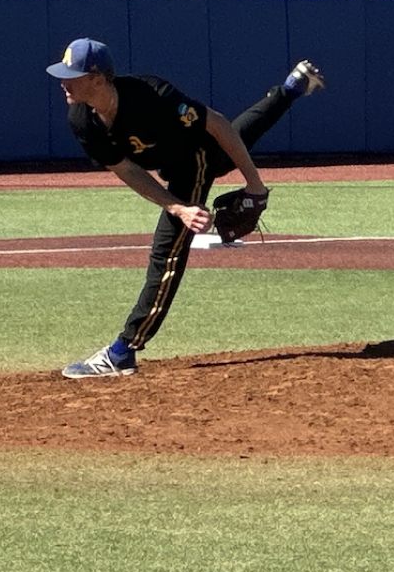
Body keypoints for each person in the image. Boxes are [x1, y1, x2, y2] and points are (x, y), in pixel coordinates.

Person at [47, 38, 325, 378]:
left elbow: (217, 124)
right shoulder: (82, 120)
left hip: (194, 157)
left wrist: (255, 185)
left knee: (167, 252)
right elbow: (127, 170)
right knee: (238, 140)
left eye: (71, 75)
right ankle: (289, 90)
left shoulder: (153, 96)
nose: (62, 82)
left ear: (98, 79)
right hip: (168, 161)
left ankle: (123, 351)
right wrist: (176, 206)